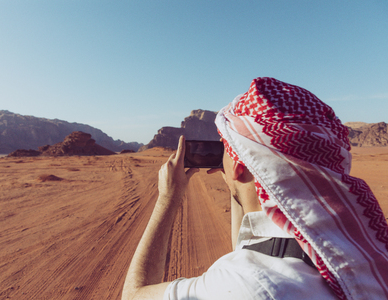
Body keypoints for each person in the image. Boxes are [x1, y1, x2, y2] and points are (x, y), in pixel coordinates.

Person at [122, 77, 388, 300]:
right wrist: (238, 184)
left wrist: (167, 198)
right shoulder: (360, 248)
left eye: (226, 147)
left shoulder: (242, 285)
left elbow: (133, 295)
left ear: (240, 166)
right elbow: (251, 250)